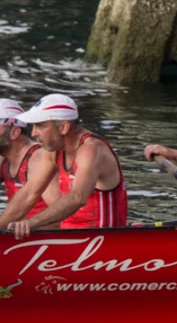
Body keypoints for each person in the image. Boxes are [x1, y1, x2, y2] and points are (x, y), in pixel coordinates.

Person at [0, 93, 128, 238]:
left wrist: (30, 223)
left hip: (102, 240)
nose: (34, 133)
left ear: (63, 127)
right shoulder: (53, 152)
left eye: (40, 125)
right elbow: (30, 193)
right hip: (70, 239)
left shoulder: (92, 148)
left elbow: (77, 197)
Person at [0, 98, 62, 222]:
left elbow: (65, 218)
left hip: (40, 231)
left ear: (14, 132)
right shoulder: (3, 159)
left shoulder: (37, 159)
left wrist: (28, 225)